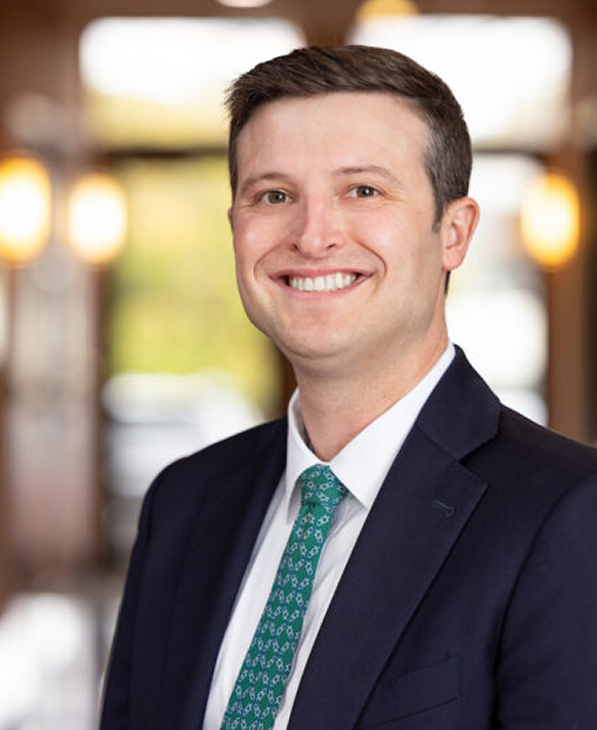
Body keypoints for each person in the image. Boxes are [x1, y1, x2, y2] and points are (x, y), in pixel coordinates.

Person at [100, 46, 597, 730]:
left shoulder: (569, 515)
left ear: (454, 233)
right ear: (236, 229)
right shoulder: (183, 503)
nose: (312, 237)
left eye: (362, 190)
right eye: (274, 195)